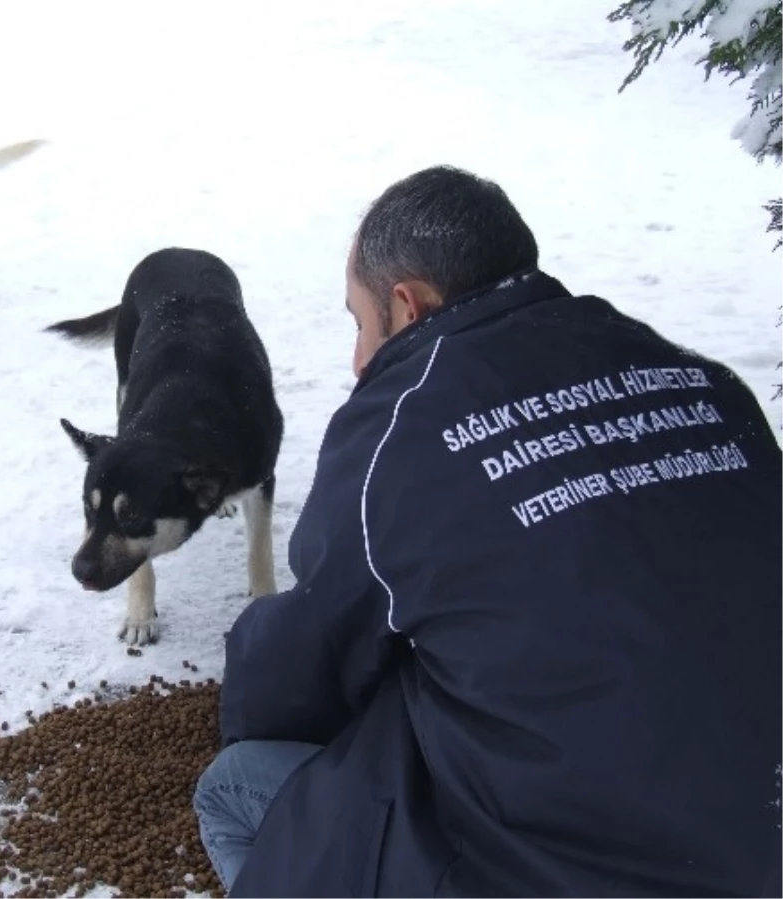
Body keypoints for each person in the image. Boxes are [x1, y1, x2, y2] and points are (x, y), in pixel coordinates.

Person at [192, 166, 783, 899]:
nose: (355, 359)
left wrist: (251, 716)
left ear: (406, 305)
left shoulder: (404, 424)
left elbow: (307, 657)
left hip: (564, 866)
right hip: (761, 833)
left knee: (234, 788)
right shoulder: (706, 381)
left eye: (358, 320)